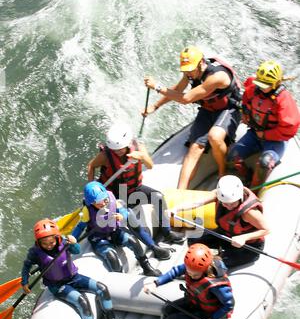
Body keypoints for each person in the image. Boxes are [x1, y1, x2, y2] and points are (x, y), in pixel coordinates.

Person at [143, 46, 242, 188]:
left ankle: (222, 170)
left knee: (214, 137)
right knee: (194, 148)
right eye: (185, 70)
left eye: (190, 69)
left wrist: (157, 86)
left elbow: (186, 98)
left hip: (229, 109)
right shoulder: (191, 72)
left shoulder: (216, 77)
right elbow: (177, 90)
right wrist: (155, 106)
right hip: (208, 109)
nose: (188, 73)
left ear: (201, 63)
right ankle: (180, 192)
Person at [87, 121, 184, 260]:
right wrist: (92, 188)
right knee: (130, 215)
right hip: (114, 194)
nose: (118, 151)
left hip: (134, 189)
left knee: (158, 197)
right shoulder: (105, 156)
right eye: (115, 149)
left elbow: (150, 165)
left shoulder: (138, 147)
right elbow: (91, 166)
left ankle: (167, 232)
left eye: (120, 148)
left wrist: (142, 156)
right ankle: (154, 247)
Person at [21, 218, 128, 319]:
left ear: (57, 237)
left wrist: (74, 243)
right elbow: (26, 267)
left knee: (102, 288)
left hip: (74, 277)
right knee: (82, 301)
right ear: (38, 242)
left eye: (51, 243)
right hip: (57, 286)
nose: (49, 246)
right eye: (44, 244)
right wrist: (24, 282)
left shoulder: (64, 242)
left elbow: (76, 251)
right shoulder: (35, 252)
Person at [170, 175, 270, 268]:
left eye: (232, 203)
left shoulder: (249, 212)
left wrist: (244, 238)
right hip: (227, 236)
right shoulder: (217, 195)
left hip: (247, 246)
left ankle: (219, 258)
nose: (228, 206)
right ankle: (217, 253)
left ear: (240, 197)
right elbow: (197, 202)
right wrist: (177, 209)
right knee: (193, 240)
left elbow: (266, 230)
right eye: (225, 203)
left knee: (214, 266)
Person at [227, 60, 300, 187]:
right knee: (233, 155)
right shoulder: (254, 89)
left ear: (275, 83)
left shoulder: (283, 99)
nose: (260, 87)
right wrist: (245, 114)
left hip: (275, 140)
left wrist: (265, 135)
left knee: (265, 162)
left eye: (264, 85)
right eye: (259, 83)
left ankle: (254, 190)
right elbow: (245, 101)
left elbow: (289, 129)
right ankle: (247, 176)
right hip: (255, 134)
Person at [71, 181, 161, 277]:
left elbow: (124, 212)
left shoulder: (112, 199)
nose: (103, 203)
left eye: (105, 200)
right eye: (99, 202)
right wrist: (73, 238)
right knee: (112, 257)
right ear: (91, 203)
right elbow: (80, 227)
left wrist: (122, 216)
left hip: (115, 232)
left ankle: (146, 267)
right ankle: (120, 278)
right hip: (99, 238)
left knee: (133, 241)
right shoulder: (87, 211)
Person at [143, 243, 234, 319]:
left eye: (195, 275)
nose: (191, 276)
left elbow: (229, 303)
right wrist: (156, 283)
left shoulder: (216, 285)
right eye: (189, 273)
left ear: (205, 269)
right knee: (167, 308)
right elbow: (175, 272)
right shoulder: (191, 266)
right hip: (195, 303)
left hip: (209, 314)